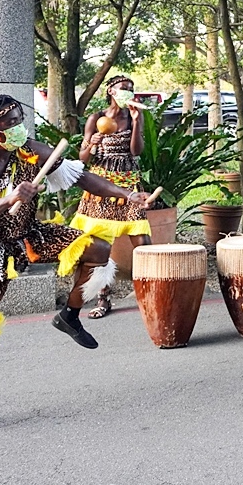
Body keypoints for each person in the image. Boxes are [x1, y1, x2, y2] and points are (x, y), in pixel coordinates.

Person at [0, 93, 150, 443]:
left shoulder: (29, 150)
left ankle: (69, 316)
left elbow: (82, 177)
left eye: (18, 119)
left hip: (28, 235)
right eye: (8, 123)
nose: (17, 128)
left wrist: (124, 193)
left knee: (97, 248)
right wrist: (8, 199)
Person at [71, 75, 152, 318]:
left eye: (131, 90)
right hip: (101, 185)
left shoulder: (134, 116)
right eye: (123, 89)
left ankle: (149, 292)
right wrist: (92, 143)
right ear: (111, 91)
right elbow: (82, 157)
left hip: (129, 182)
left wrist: (137, 122)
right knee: (100, 245)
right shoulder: (97, 118)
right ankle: (103, 299)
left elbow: (136, 151)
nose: (128, 93)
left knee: (143, 242)